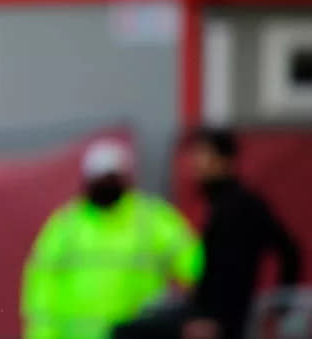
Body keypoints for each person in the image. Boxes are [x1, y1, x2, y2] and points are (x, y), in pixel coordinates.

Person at [21, 139, 203, 339]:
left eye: (111, 177)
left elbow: (195, 264)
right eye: (100, 178)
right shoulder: (65, 227)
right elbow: (42, 292)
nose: (105, 184)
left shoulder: (151, 220)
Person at [185, 127, 300, 339]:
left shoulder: (241, 206)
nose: (196, 163)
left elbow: (288, 251)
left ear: (224, 160)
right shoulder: (218, 204)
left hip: (222, 321)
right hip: (210, 316)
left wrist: (281, 306)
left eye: (204, 155)